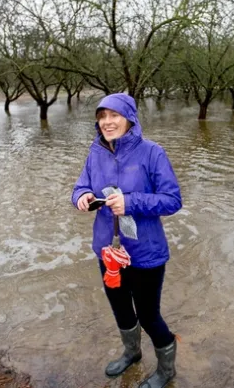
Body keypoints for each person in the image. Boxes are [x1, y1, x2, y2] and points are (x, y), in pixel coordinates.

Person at [71, 93, 182, 388]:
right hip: (108, 251)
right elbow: (80, 186)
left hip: (145, 252)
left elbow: (172, 201)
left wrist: (130, 202)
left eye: (114, 115)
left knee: (148, 315)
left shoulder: (152, 152)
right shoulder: (95, 152)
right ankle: (132, 353)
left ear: (129, 118)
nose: (107, 122)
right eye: (102, 116)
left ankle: (166, 370)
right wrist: (81, 197)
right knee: (120, 307)